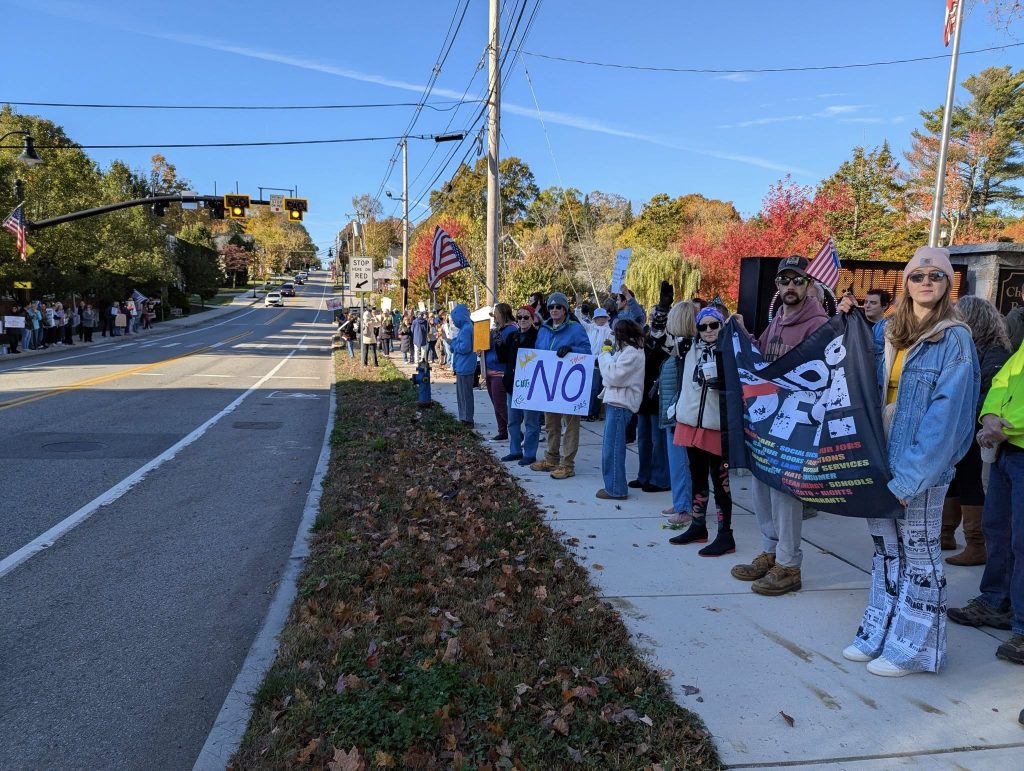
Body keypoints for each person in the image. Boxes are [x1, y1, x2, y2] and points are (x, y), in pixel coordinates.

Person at [838, 246, 979, 676]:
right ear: (906, 282)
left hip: (919, 469)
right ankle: (880, 631)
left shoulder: (954, 338)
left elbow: (947, 420)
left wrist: (909, 480)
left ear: (947, 285)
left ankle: (916, 648)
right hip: (880, 461)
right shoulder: (887, 333)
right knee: (885, 553)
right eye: (918, 275)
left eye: (935, 276)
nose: (925, 282)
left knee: (920, 555)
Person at [731, 256, 829, 596]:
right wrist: (743, 337)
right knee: (762, 485)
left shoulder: (818, 324)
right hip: (768, 422)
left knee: (785, 493)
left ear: (810, 285)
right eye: (785, 281)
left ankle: (789, 564)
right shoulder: (777, 321)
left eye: (798, 281)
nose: (790, 286)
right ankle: (770, 552)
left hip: (796, 425)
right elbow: (762, 360)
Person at [948, 343, 1024, 665]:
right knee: (998, 531)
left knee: (1021, 541)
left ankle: (1020, 625)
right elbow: (1003, 381)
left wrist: (1005, 425)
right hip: (1008, 453)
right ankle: (995, 601)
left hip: (1011, 442)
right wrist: (990, 415)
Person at [942, 295, 1012, 565]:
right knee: (954, 479)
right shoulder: (971, 348)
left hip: (975, 428)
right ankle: (945, 533)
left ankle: (976, 544)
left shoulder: (994, 352)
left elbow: (989, 393)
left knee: (970, 481)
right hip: (962, 425)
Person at [670, 306, 735, 556]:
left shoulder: (730, 349)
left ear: (721, 325)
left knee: (721, 482)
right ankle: (698, 526)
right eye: (703, 326)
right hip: (690, 423)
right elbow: (665, 334)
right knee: (697, 477)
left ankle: (725, 534)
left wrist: (725, 382)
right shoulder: (688, 348)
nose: (708, 331)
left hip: (716, 424)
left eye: (714, 325)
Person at [529, 292, 591, 480]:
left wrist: (572, 350)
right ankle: (551, 458)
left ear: (565, 309)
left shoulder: (575, 329)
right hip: (549, 383)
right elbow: (538, 353)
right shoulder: (544, 329)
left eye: (559, 307)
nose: (554, 310)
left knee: (570, 424)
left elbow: (587, 352)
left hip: (568, 385)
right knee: (550, 424)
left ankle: (567, 464)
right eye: (551, 307)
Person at [595, 318, 645, 499]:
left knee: (613, 449)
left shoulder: (632, 353)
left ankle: (616, 489)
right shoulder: (626, 351)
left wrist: (604, 356)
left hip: (620, 405)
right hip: (616, 403)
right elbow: (610, 375)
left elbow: (613, 376)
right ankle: (613, 485)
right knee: (610, 448)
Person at [632, 283, 674, 493]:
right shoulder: (646, 334)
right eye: (652, 314)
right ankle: (644, 475)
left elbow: (660, 335)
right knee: (644, 439)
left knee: (659, 440)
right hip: (643, 391)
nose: (653, 317)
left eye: (656, 314)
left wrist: (664, 309)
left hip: (659, 391)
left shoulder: (669, 336)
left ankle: (660, 478)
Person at [661, 300, 697, 525]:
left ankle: (684, 507)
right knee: (677, 463)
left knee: (681, 461)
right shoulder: (679, 348)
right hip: (673, 412)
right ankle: (681, 501)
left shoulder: (687, 351)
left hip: (679, 415)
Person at [497, 306, 540, 464]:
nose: (522, 320)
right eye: (519, 317)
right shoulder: (513, 336)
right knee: (513, 421)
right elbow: (503, 359)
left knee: (531, 421)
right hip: (512, 384)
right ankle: (515, 450)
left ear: (533, 318)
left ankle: (529, 453)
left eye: (526, 317)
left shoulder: (538, 336)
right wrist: (499, 343)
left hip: (530, 386)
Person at [484, 304, 516, 443]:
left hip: (500, 371)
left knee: (500, 404)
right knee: (496, 404)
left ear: (503, 314)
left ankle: (516, 432)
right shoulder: (495, 330)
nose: (494, 316)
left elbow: (508, 351)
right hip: (490, 370)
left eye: (496, 313)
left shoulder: (511, 330)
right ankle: (502, 431)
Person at [575, 303, 612, 421]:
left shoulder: (609, 331)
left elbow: (611, 346)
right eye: (599, 317)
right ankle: (585, 411)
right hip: (588, 361)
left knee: (596, 388)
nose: (601, 320)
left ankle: (592, 412)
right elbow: (580, 321)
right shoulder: (591, 327)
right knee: (588, 387)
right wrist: (577, 308)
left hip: (600, 362)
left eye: (603, 317)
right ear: (595, 319)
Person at [449, 304, 478, 425]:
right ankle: (464, 416)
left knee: (464, 395)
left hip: (465, 366)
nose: (453, 322)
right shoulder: (466, 327)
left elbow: (465, 347)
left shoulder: (466, 329)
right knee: (463, 394)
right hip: (464, 365)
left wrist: (454, 346)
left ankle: (466, 418)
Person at [864, 288, 892, 369]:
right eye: (866, 302)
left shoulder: (890, 329)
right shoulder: (856, 324)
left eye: (873, 303)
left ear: (885, 306)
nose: (867, 306)